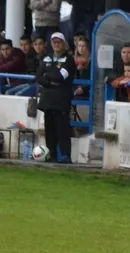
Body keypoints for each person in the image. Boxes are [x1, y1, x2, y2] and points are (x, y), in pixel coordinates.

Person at [35, 32, 75, 164]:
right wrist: (50, 81)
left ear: (64, 44)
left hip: (61, 99)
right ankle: (51, 154)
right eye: (54, 42)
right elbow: (39, 77)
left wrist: (48, 76)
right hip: (47, 100)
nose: (56, 44)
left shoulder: (68, 59)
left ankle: (65, 155)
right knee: (49, 129)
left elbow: (61, 77)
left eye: (59, 42)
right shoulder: (46, 58)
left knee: (62, 128)